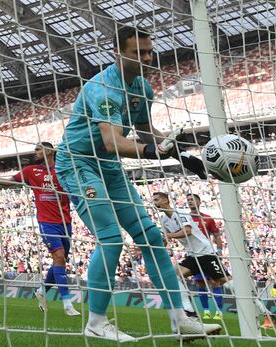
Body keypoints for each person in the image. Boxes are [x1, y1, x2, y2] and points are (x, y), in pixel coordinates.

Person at [55, 25, 219, 341]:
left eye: (148, 51)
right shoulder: (102, 88)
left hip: (110, 169)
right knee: (111, 238)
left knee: (153, 238)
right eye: (137, 52)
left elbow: (146, 134)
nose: (146, 58)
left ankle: (180, 320)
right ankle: (97, 322)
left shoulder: (142, 87)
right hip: (79, 164)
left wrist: (181, 154)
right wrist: (152, 151)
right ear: (117, 53)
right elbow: (112, 141)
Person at [0, 142, 80, 316]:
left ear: (49, 151)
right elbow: (7, 183)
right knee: (58, 256)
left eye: (38, 149)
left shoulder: (63, 170)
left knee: (61, 260)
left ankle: (42, 291)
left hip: (65, 222)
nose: (35, 152)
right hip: (46, 222)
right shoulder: (31, 171)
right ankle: (67, 304)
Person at [154, 192, 227, 320]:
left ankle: (255, 302)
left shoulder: (181, 213)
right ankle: (190, 310)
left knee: (224, 281)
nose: (154, 202)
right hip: (192, 255)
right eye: (153, 200)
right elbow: (165, 239)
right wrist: (155, 247)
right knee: (173, 275)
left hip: (205, 252)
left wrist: (170, 236)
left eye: (157, 199)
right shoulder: (164, 219)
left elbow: (187, 231)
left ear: (166, 200)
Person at [187, 193, 231, 320]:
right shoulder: (185, 218)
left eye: (192, 199)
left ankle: (219, 311)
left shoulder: (208, 218)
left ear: (199, 202)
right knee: (200, 283)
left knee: (214, 281)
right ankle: (206, 311)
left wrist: (219, 250)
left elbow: (217, 235)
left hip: (208, 253)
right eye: (188, 200)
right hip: (194, 254)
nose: (190, 201)